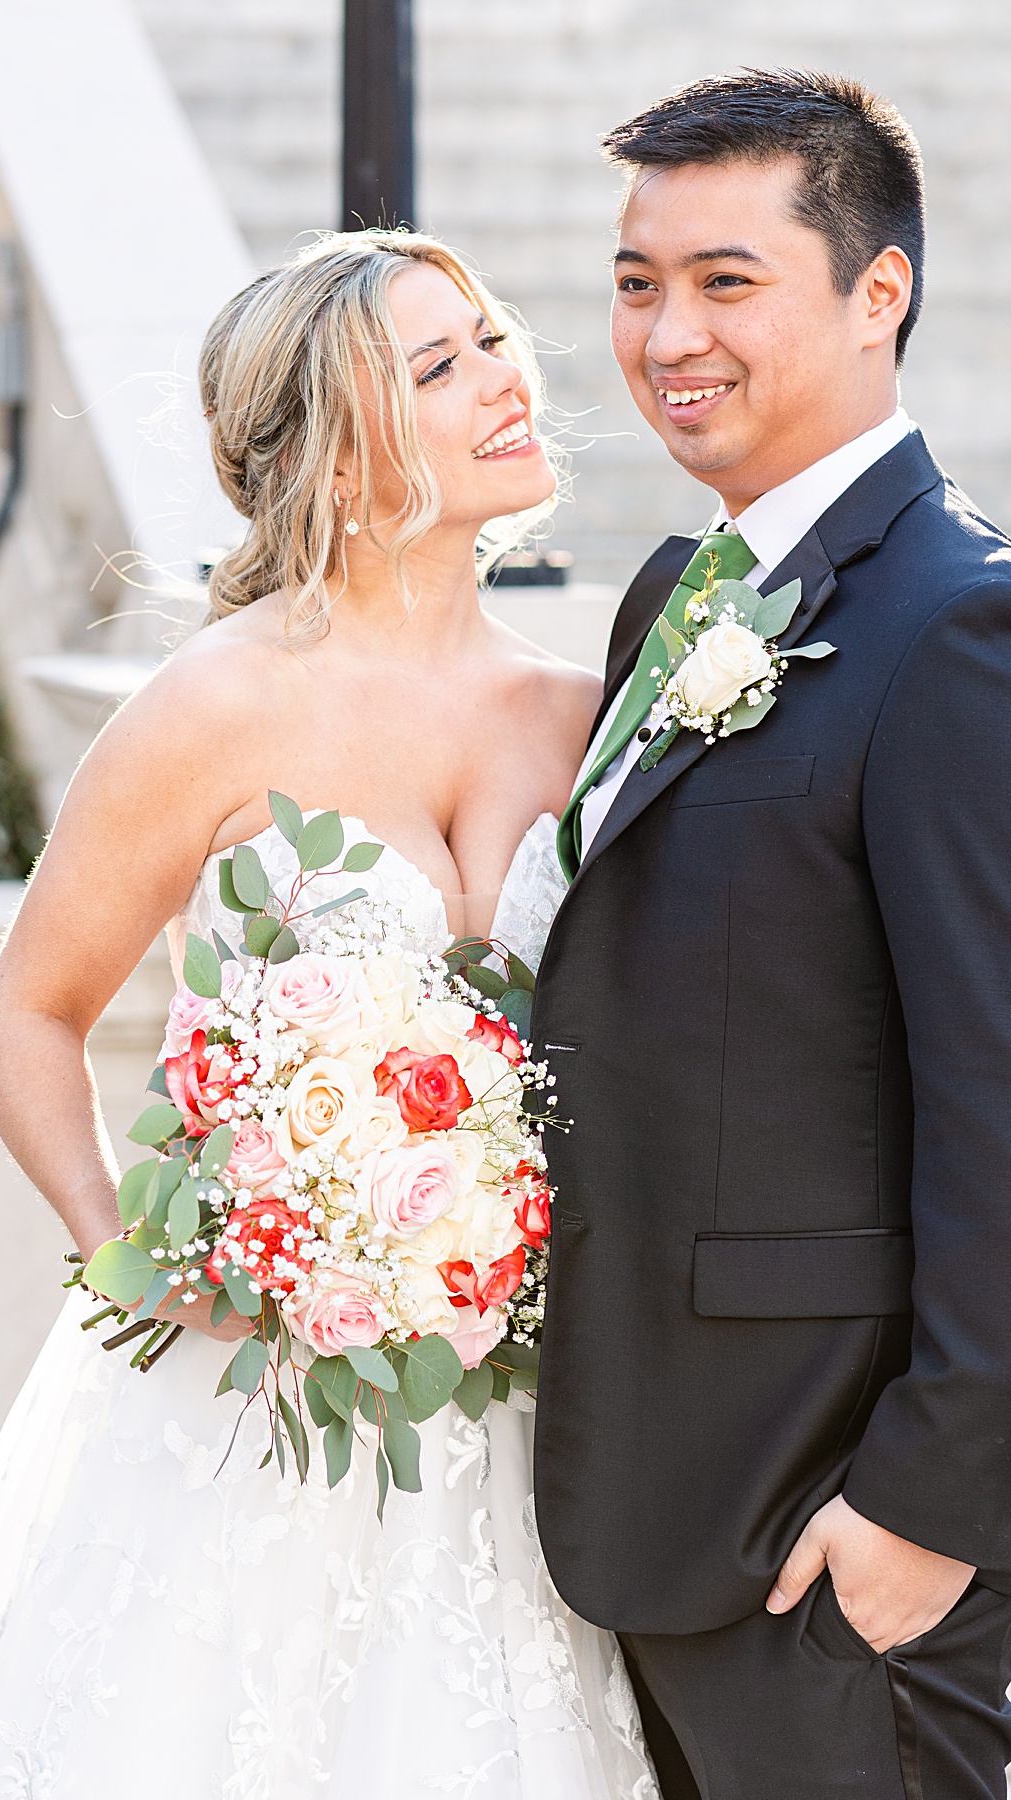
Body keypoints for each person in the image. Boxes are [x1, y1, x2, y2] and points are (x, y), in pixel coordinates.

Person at [0, 231, 656, 1800]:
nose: (506, 378)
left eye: (490, 338)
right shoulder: (216, 705)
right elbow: (27, 1014)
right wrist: (129, 1255)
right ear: (340, 460)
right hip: (242, 1408)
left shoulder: (583, 715)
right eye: (438, 367)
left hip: (506, 1423)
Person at [533, 68, 1011, 1800]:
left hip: (837, 1538)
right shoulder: (679, 596)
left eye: (727, 281)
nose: (668, 333)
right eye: (637, 281)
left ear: (877, 291)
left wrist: (925, 1512)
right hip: (651, 1497)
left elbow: (1001, 1101)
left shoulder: (962, 628)